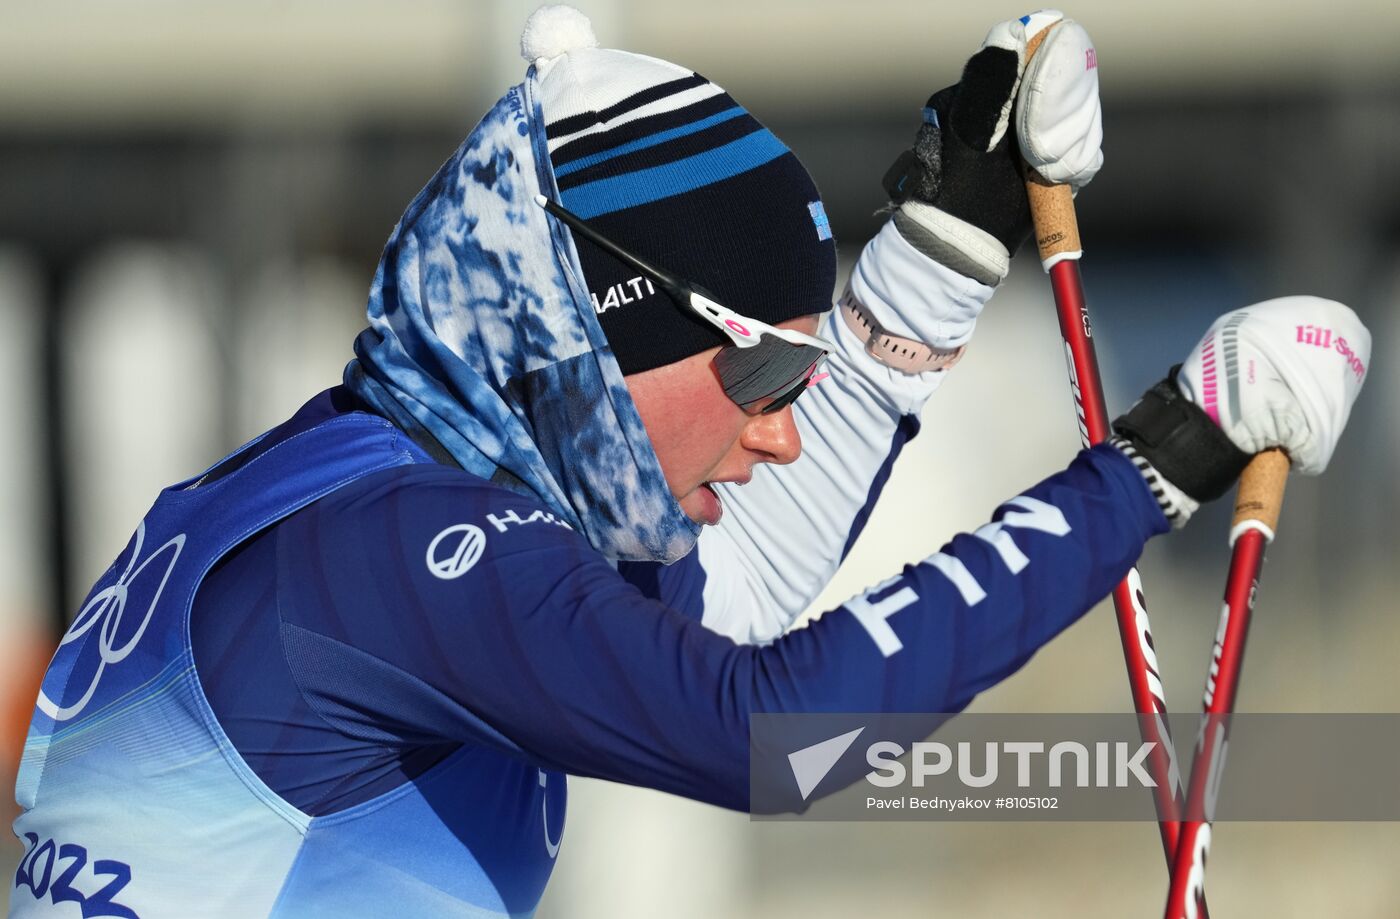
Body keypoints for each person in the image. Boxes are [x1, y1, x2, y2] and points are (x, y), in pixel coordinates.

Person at [10, 6, 1369, 918]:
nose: (782, 428)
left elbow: (729, 604)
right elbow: (779, 728)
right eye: (765, 370)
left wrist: (951, 229)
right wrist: (1158, 457)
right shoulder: (391, 562)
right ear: (579, 329)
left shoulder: (348, 481)